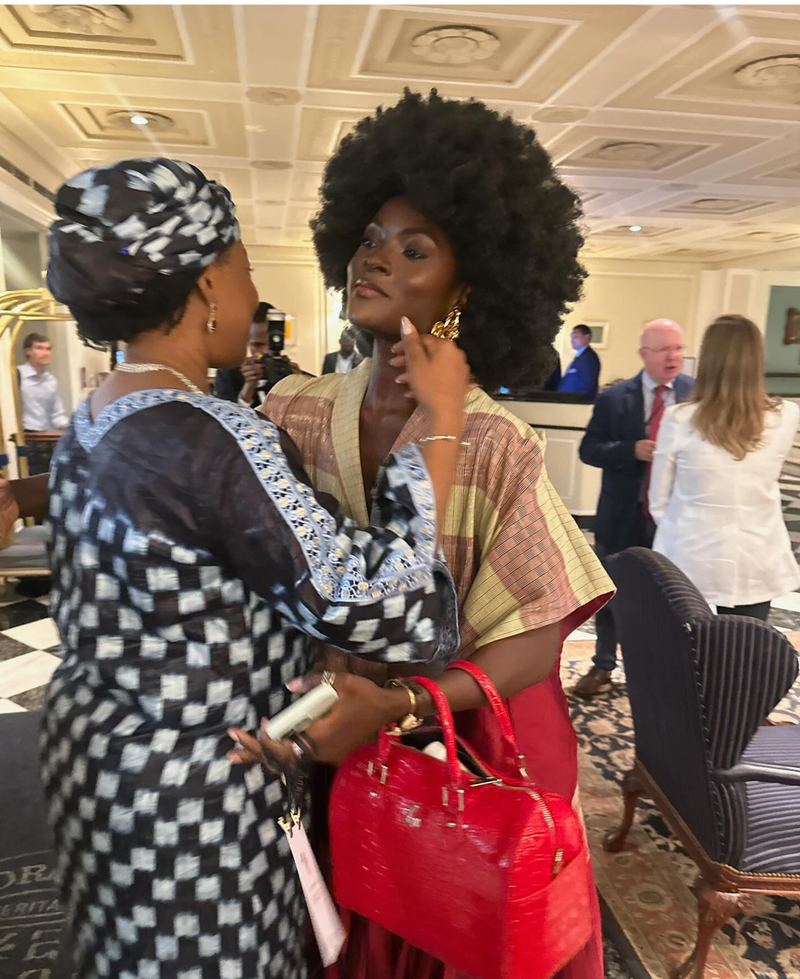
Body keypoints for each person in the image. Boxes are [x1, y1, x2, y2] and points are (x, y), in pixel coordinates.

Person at [37, 157, 471, 979]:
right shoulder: (213, 436)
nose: (251, 291)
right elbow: (372, 599)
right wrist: (442, 422)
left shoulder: (96, 414)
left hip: (99, 758)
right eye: (242, 267)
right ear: (206, 283)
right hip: (193, 802)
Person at [263, 89, 614, 979]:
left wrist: (405, 704)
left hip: (450, 750)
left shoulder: (496, 442)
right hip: (317, 730)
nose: (375, 257)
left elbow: (536, 639)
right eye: (371, 237)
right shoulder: (294, 409)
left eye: (414, 248)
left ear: (467, 286)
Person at [650, 315, 800, 618]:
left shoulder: (679, 418)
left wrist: (686, 527)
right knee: (743, 653)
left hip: (689, 553)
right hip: (756, 554)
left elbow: (658, 501)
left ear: (708, 360)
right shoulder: (787, 415)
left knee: (688, 653)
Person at [574, 318, 694, 697]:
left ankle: (665, 669)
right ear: (644, 354)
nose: (673, 357)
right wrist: (631, 450)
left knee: (671, 597)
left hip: (675, 518)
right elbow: (589, 450)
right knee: (612, 592)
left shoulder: (697, 395)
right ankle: (603, 665)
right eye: (664, 350)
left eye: (678, 348)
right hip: (622, 514)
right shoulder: (615, 398)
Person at [213, 300, 300, 407]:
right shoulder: (228, 375)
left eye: (272, 345)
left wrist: (301, 388)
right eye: (258, 345)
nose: (266, 351)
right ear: (245, 342)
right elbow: (224, 419)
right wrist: (248, 388)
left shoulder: (286, 372)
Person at [17, 332, 69, 475]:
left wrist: (74, 426)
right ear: (28, 351)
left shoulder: (50, 380)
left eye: (48, 348)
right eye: (39, 348)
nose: (45, 353)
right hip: (24, 439)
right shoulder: (17, 375)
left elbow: (57, 415)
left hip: (44, 440)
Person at [558, 324, 601, 399]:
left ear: (587, 337)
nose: (572, 340)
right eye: (572, 337)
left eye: (575, 336)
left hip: (575, 403)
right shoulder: (580, 357)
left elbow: (588, 385)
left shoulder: (589, 358)